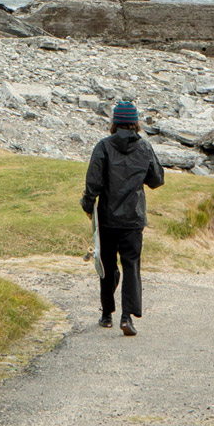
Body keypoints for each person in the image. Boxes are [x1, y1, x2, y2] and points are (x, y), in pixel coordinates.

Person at [82, 98, 165, 337]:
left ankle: (107, 314)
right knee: (131, 266)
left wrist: (88, 205)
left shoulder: (104, 146)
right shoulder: (144, 147)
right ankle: (127, 317)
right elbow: (157, 180)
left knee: (106, 265)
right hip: (133, 218)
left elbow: (93, 183)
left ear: (115, 123)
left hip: (107, 218)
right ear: (135, 123)